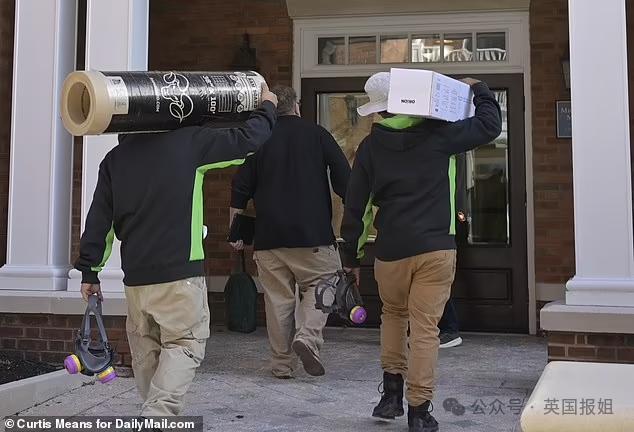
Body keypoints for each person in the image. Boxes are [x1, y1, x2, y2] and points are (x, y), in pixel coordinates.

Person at [75, 84, 278, 417]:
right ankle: (157, 416)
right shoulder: (189, 143)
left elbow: (99, 220)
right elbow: (248, 139)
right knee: (185, 343)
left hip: (136, 279)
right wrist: (267, 106)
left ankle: (154, 414)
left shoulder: (115, 159)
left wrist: (89, 270)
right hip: (179, 274)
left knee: (146, 352)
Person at [341, 72, 501, 432]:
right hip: (435, 249)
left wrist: (351, 258)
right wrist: (479, 88)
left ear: (378, 111)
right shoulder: (440, 134)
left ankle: (390, 396)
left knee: (393, 317)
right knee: (426, 330)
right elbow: (490, 125)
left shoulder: (369, 148)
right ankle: (419, 411)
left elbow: (357, 208)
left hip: (391, 251)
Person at [229, 85, 350, 378]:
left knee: (278, 301)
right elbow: (345, 179)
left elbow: (239, 188)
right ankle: (308, 336)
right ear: (296, 105)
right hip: (313, 237)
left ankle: (282, 364)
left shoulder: (260, 139)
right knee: (325, 283)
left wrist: (235, 232)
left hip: (269, 239)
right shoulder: (317, 134)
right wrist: (354, 218)